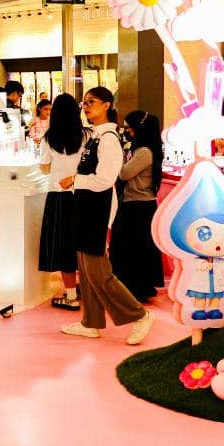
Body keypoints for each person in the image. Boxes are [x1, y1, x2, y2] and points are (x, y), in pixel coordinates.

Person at [58, 87, 154, 344]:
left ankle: (140, 314)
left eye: (91, 102)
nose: (86, 106)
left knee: (99, 272)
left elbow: (105, 179)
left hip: (96, 212)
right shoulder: (95, 136)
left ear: (106, 105)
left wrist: (75, 179)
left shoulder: (109, 139)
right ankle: (90, 321)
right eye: (84, 102)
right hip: (86, 208)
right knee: (86, 270)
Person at [111, 110, 165, 301]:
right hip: (137, 204)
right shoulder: (142, 150)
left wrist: (116, 157)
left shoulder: (144, 152)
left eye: (129, 128)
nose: (127, 132)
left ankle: (135, 288)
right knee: (137, 249)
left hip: (138, 206)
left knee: (133, 250)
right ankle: (137, 286)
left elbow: (124, 173)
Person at [38, 94, 84, 311]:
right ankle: (88, 288)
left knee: (64, 247)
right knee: (84, 245)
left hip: (58, 195)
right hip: (83, 193)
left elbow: (44, 168)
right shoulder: (87, 136)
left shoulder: (49, 138)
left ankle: (71, 295)